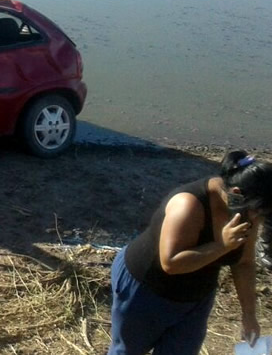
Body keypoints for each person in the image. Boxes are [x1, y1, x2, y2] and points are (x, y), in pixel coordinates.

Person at [108, 150, 272, 354]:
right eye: (258, 211)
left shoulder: (247, 212)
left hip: (195, 296)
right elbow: (171, 263)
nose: (257, 219)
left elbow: (244, 262)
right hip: (145, 289)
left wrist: (249, 315)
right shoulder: (188, 205)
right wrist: (222, 245)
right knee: (128, 351)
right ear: (237, 194)